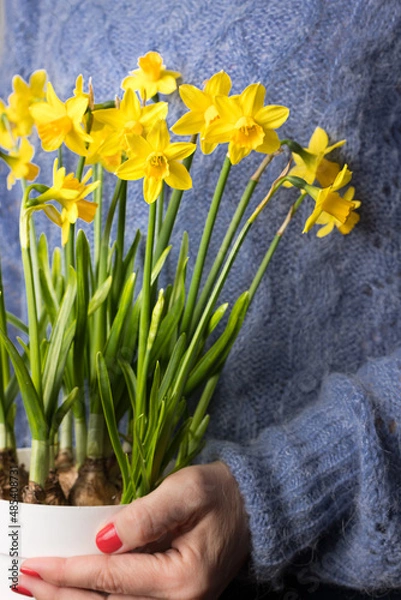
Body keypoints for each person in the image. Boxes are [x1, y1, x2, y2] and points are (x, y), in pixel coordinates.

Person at [1, 0, 401, 598]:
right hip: (57, 532)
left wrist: (272, 493)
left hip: (316, 575)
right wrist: (27, 493)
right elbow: (19, 251)